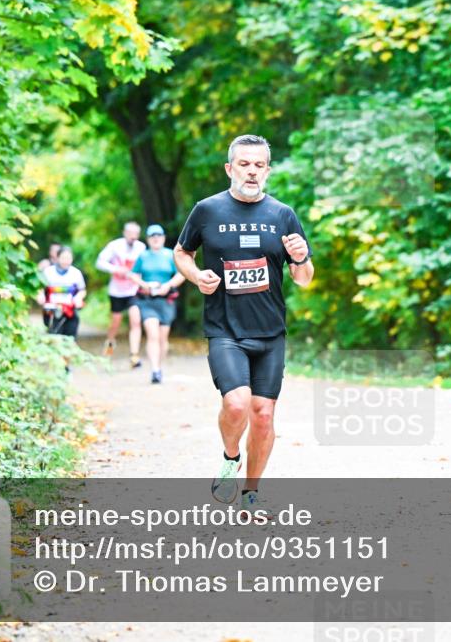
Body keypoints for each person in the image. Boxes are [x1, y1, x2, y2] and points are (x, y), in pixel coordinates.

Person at [174, 134, 314, 516]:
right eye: (244, 164)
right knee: (236, 405)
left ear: (267, 171)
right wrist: (195, 275)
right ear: (229, 168)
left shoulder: (282, 215)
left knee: (263, 414)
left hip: (270, 331)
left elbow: (303, 278)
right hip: (225, 330)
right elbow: (182, 251)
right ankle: (229, 458)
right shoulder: (207, 210)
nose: (252, 171)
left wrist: (302, 257)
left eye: (259, 165)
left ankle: (251, 492)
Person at [129, 224, 185, 384]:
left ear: (163, 238)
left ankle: (159, 367)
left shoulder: (170, 255)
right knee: (152, 334)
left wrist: (168, 285)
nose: (156, 238)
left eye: (158, 235)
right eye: (152, 236)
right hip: (147, 300)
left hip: (166, 300)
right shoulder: (143, 256)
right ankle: (154, 370)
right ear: (148, 239)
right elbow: (133, 274)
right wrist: (144, 284)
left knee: (162, 338)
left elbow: (182, 274)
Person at [95, 222, 146, 366]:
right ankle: (109, 350)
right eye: (130, 233)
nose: (133, 236)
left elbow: (144, 266)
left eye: (136, 234)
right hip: (116, 291)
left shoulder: (141, 247)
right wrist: (116, 269)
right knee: (115, 323)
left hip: (133, 290)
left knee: (135, 321)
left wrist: (142, 281)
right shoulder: (115, 246)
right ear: (124, 233)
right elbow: (99, 262)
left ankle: (134, 356)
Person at [41, 246, 87, 340]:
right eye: (63, 258)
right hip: (51, 310)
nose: (66, 261)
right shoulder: (48, 272)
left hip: (70, 310)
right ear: (57, 258)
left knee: (70, 338)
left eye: (68, 258)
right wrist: (41, 296)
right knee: (54, 338)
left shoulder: (76, 273)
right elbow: (40, 288)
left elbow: (82, 290)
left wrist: (78, 298)